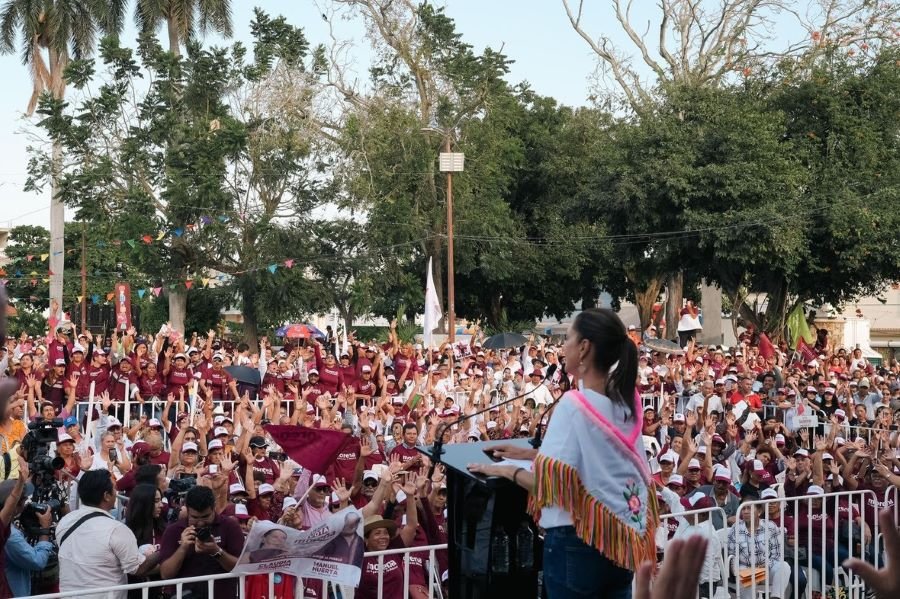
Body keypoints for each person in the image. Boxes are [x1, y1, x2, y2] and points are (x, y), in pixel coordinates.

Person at [469, 308, 654, 598]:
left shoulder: (574, 405)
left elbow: (551, 484)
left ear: (584, 348)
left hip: (577, 542)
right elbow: (598, 461)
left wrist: (504, 470)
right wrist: (530, 455)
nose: (562, 347)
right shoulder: (627, 402)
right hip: (619, 542)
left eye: (567, 338)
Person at [57, 469, 160, 599]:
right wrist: (163, 551)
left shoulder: (65, 521)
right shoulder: (116, 529)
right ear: (106, 495)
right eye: (114, 489)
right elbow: (137, 568)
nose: (116, 493)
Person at [159, 485, 244, 598]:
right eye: (194, 517)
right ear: (187, 509)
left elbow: (240, 567)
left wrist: (216, 551)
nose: (200, 523)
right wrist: (183, 548)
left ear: (214, 507)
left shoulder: (230, 526)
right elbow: (165, 574)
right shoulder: (174, 531)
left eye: (205, 517)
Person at [2, 459, 54, 598]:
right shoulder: (11, 536)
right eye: (24, 500)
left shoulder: (9, 527)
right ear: (14, 505)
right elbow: (37, 561)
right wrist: (44, 530)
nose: (27, 504)